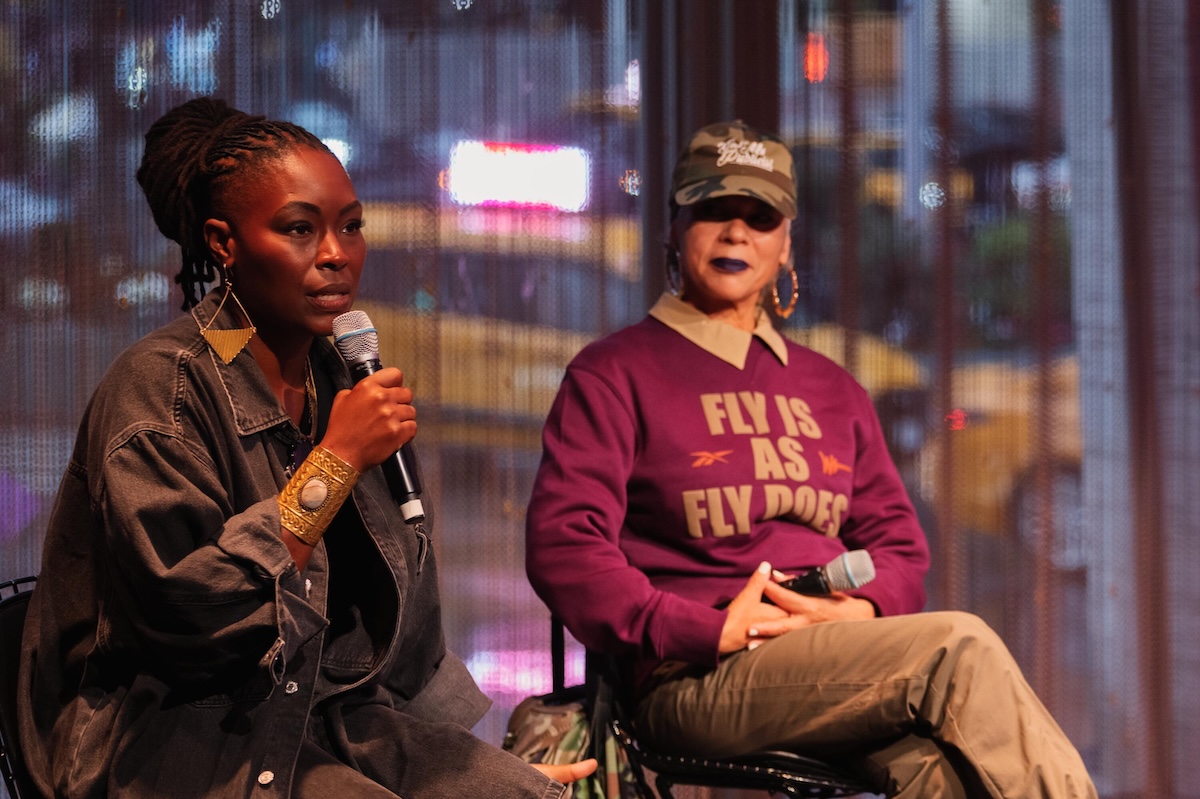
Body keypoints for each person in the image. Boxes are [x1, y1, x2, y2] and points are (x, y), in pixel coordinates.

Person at [18, 96, 593, 799]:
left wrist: (476, 769)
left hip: (326, 714)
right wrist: (336, 461)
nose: (335, 255)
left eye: (351, 227)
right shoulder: (159, 390)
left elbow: (382, 623)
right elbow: (187, 618)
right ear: (224, 243)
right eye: (299, 229)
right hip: (172, 740)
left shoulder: (337, 377)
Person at [525, 120, 1098, 799]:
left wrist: (861, 610)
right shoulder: (615, 373)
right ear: (674, 229)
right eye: (713, 210)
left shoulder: (833, 388)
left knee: (946, 775)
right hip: (696, 677)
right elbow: (565, 547)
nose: (737, 231)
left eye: (760, 216)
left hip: (833, 665)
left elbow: (899, 547)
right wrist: (700, 627)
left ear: (786, 242)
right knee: (957, 648)